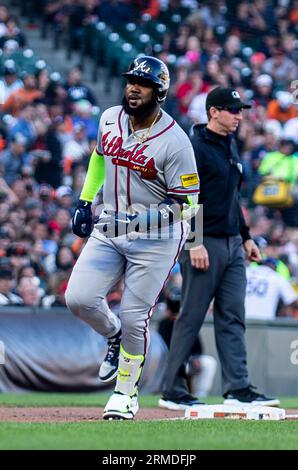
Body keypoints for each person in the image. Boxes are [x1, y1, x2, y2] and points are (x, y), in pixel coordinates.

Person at [65, 56, 200, 420]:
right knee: (78, 298)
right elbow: (98, 158)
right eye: (130, 82)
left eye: (142, 84)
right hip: (112, 225)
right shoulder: (109, 117)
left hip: (158, 238)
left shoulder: (176, 141)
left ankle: (125, 393)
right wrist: (85, 198)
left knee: (135, 314)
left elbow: (186, 204)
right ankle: (113, 336)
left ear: (160, 92)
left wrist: (139, 221)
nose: (133, 88)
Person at [159, 86, 280, 410]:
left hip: (231, 243)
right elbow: (185, 199)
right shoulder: (194, 146)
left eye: (240, 110)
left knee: (232, 317)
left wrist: (246, 236)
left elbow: (232, 199)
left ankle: (238, 388)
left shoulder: (229, 145)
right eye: (233, 110)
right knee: (191, 318)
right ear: (214, 112)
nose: (239, 115)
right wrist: (194, 242)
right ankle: (172, 389)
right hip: (204, 243)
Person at [158, 278, 217, 399]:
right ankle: (168, 391)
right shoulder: (164, 324)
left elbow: (198, 347)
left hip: (189, 360)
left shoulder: (188, 322)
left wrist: (195, 358)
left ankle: (201, 394)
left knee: (209, 362)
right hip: (169, 360)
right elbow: (163, 346)